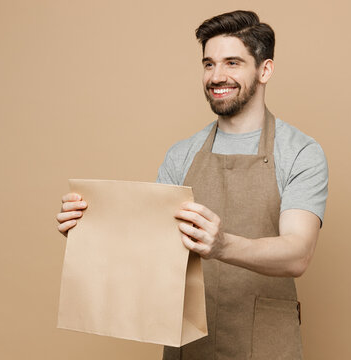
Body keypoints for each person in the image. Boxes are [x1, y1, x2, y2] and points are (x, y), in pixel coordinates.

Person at [56, 10, 328, 360]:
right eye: (209, 64)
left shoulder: (300, 152)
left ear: (265, 70)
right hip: (189, 346)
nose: (217, 76)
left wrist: (222, 245)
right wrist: (89, 232)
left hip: (265, 343)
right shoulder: (181, 155)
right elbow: (150, 250)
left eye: (232, 63)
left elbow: (297, 253)